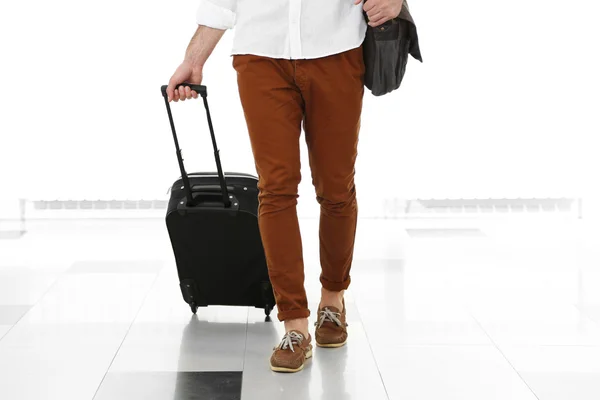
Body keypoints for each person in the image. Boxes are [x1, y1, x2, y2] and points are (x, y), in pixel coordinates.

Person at [166, 0, 405, 373]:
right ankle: (294, 323)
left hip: (337, 50)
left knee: (336, 187)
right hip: (261, 55)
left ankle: (332, 300)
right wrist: (194, 58)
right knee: (275, 189)